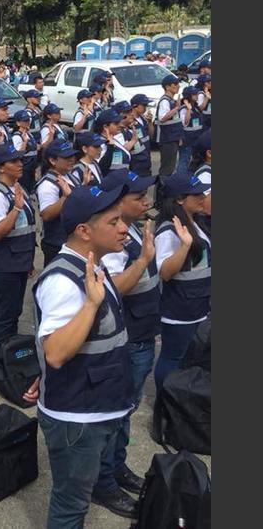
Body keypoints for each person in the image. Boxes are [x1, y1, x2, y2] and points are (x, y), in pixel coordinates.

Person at [33, 184, 138, 526]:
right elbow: (55, 353)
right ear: (84, 231)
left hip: (97, 403)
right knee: (71, 506)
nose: (124, 228)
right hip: (78, 416)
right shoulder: (63, 280)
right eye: (113, 222)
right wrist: (91, 304)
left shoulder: (92, 266)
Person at [99, 170, 158, 498]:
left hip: (142, 332)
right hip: (129, 338)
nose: (146, 202)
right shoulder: (114, 242)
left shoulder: (131, 229)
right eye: (138, 197)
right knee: (116, 412)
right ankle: (104, 480)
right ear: (117, 203)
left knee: (125, 411)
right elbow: (112, 289)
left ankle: (116, 466)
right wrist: (144, 260)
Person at [153, 171, 211, 390]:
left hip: (197, 305)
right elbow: (165, 272)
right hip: (180, 310)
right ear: (179, 199)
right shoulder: (169, 231)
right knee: (173, 358)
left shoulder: (194, 222)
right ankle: (166, 400)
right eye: (196, 195)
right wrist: (185, 246)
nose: (203, 197)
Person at [0, 144, 36, 347]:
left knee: (14, 314)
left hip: (18, 262)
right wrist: (16, 209)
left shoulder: (16, 188)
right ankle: (0, 359)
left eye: (20, 160)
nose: (20, 164)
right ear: (0, 167)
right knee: (5, 317)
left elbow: (26, 229)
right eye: (14, 161)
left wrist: (28, 261)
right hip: (4, 266)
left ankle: (9, 356)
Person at [36, 140, 79, 267]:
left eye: (72, 156)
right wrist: (65, 197)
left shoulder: (68, 175)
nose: (72, 160)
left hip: (71, 240)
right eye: (66, 157)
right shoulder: (47, 184)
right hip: (57, 243)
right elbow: (47, 214)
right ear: (53, 160)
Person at [155, 74, 184, 177]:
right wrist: (176, 108)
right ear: (167, 87)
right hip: (167, 139)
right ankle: (161, 187)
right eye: (175, 84)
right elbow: (162, 118)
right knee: (167, 169)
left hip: (172, 138)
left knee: (171, 167)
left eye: (178, 83)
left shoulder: (171, 100)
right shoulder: (165, 101)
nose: (178, 86)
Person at [11, 109, 39, 193]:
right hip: (24, 168)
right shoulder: (17, 136)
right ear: (18, 123)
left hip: (32, 167)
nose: (28, 122)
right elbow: (17, 154)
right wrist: (25, 142)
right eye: (25, 120)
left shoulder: (28, 134)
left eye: (28, 120)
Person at [128, 94, 154, 177]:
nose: (145, 108)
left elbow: (151, 135)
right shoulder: (129, 121)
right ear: (135, 106)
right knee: (135, 182)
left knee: (146, 180)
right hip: (135, 161)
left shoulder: (143, 118)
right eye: (144, 105)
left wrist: (150, 122)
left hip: (146, 157)